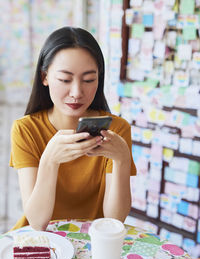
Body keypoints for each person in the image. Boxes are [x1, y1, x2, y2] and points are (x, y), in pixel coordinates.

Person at [10, 26, 136, 231]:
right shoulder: (26, 129)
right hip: (40, 241)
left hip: (91, 242)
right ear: (45, 77)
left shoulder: (117, 129)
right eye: (65, 80)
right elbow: (36, 221)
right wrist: (50, 161)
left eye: (89, 80)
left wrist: (122, 159)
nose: (77, 92)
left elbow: (115, 220)